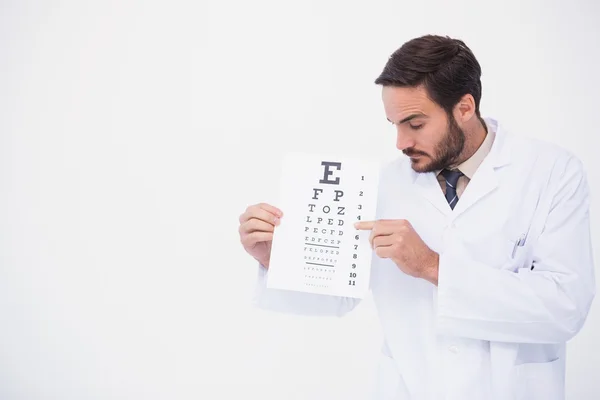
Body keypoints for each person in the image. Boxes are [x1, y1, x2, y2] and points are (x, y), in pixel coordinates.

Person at [237, 34, 595, 400]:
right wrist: (274, 259)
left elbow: (566, 307)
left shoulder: (551, 172)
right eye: (394, 124)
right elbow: (338, 294)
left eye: (415, 124)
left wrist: (432, 266)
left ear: (465, 107)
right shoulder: (381, 184)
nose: (400, 142)